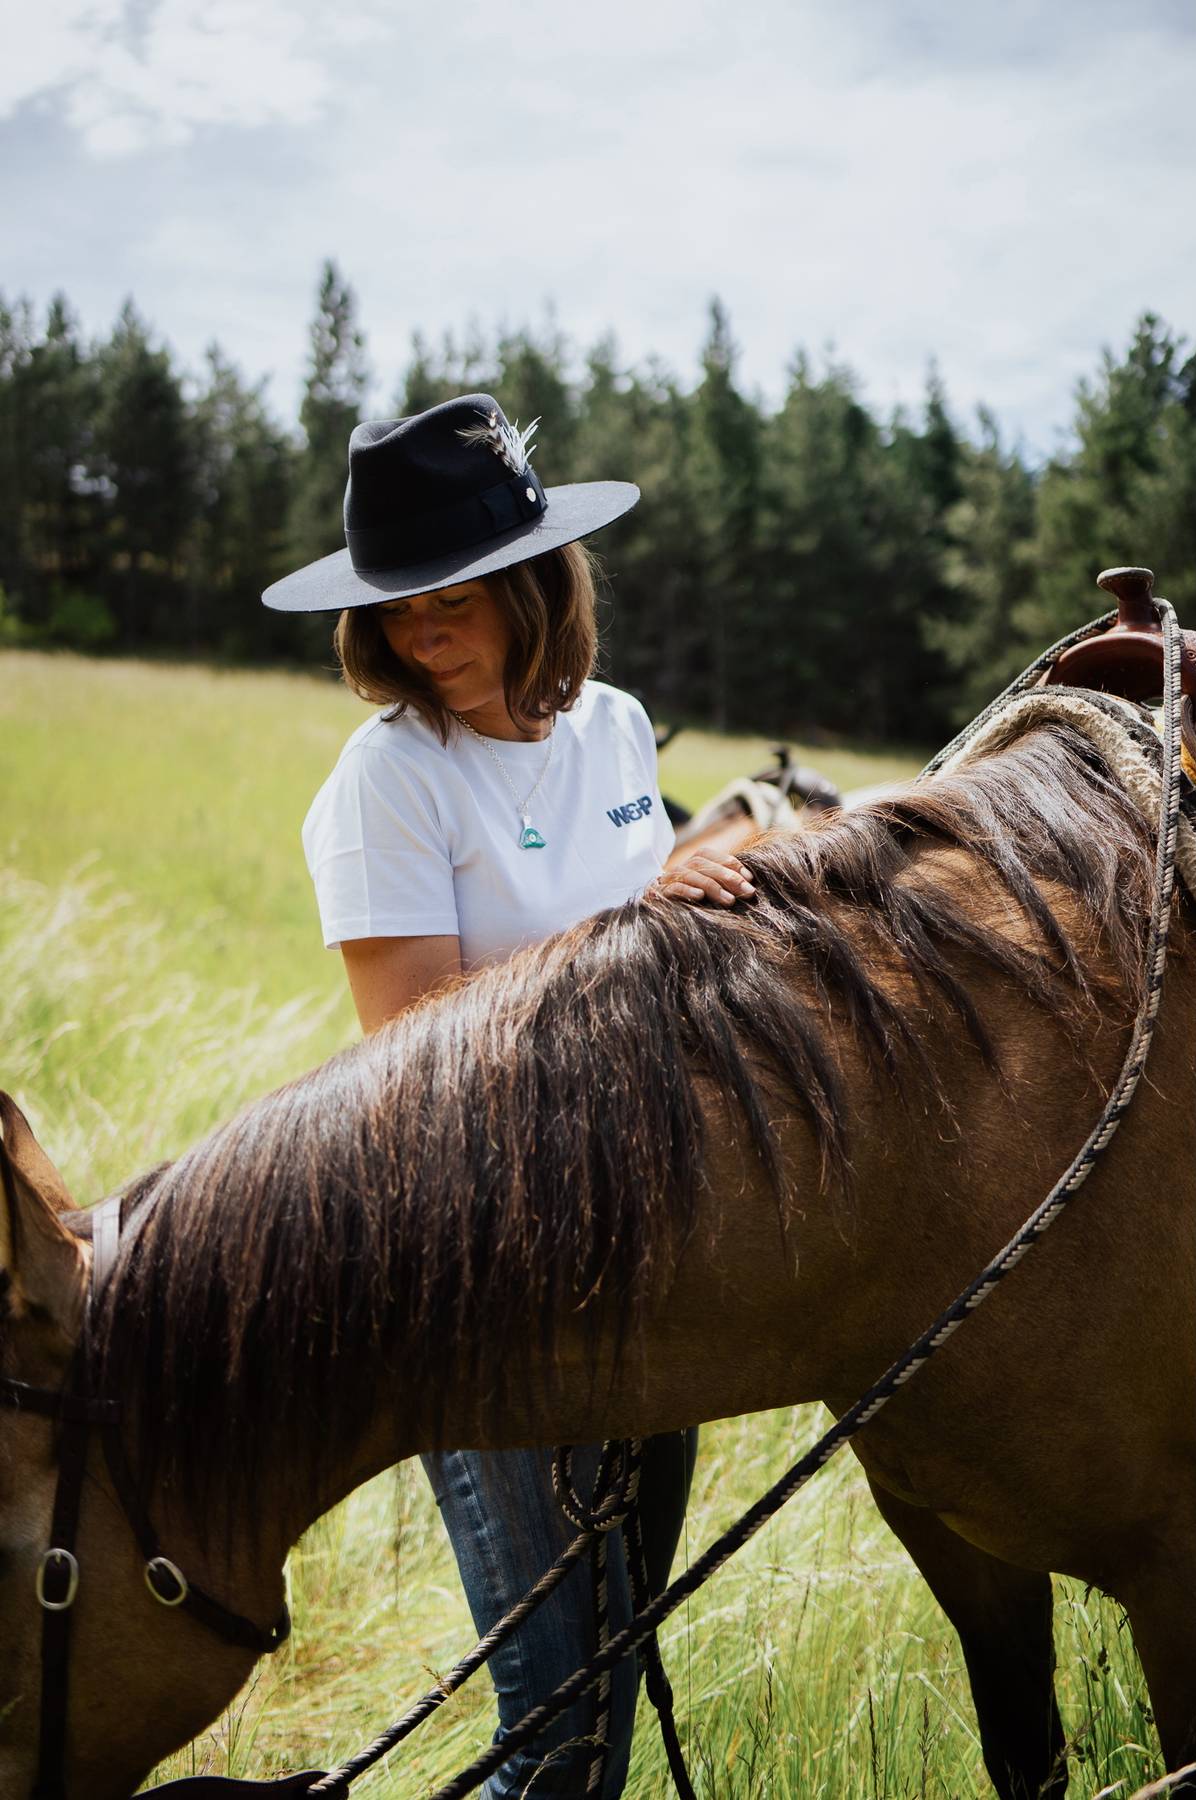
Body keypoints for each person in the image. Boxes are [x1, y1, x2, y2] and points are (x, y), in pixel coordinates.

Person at [263, 394, 752, 1798]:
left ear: (539, 584)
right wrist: (639, 926)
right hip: (478, 1274)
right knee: (558, 1742)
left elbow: (665, 939)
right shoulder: (391, 780)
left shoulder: (616, 728)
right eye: (399, 607)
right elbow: (417, 1051)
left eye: (456, 598)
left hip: (647, 1247)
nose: (424, 634)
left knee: (608, 1695)